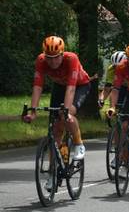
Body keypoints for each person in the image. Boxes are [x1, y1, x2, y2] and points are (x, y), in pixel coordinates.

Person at [23, 36, 91, 189]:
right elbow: (38, 86)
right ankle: (53, 174)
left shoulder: (71, 59)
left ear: (62, 54)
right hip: (60, 87)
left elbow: (71, 87)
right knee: (54, 133)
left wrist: (66, 112)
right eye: (49, 58)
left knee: (67, 115)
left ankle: (79, 143)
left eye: (56, 58)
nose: (52, 62)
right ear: (44, 55)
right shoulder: (40, 61)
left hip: (80, 86)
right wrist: (33, 111)